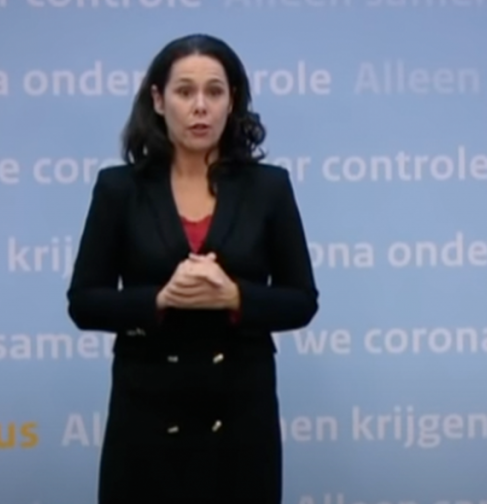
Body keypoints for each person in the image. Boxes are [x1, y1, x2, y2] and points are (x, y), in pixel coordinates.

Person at [66, 33, 319, 504]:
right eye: (185, 91)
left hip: (240, 416)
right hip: (147, 415)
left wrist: (235, 297)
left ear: (232, 101)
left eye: (214, 92)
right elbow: (84, 302)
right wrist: (160, 299)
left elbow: (301, 300)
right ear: (158, 100)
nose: (200, 106)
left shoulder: (268, 188)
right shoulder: (120, 189)